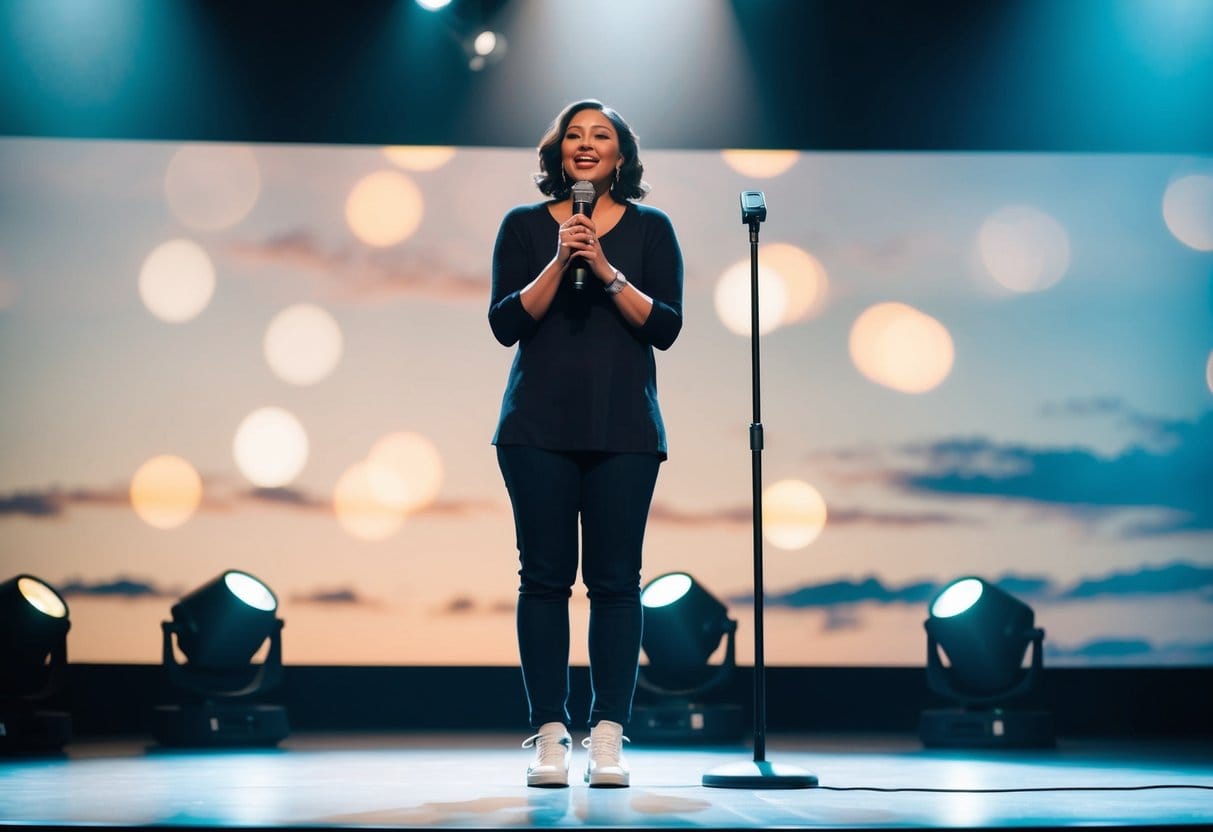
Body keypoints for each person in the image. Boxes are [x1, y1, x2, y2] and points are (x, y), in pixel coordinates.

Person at [488, 99, 683, 788]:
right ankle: (549, 736)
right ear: (558, 154)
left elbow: (664, 327)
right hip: (536, 429)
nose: (586, 144)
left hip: (623, 429)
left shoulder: (652, 229)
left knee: (615, 583)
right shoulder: (523, 226)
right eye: (574, 135)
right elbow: (505, 324)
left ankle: (607, 737)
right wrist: (559, 259)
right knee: (543, 581)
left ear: (621, 156)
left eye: (601, 135)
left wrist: (603, 267)